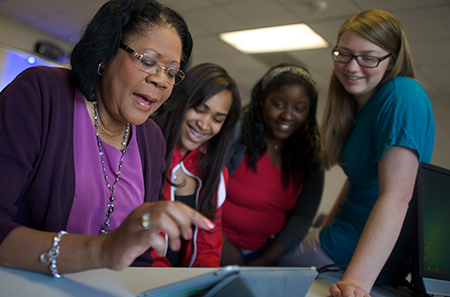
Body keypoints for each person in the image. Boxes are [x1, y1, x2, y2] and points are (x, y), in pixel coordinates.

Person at [0, 0, 216, 278]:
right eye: (148, 61)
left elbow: (138, 255)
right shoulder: (40, 93)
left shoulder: (152, 140)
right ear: (106, 53)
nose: (162, 81)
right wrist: (102, 250)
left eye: (172, 72)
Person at [277, 9, 435, 297]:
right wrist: (323, 230)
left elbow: (397, 196)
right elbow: (357, 179)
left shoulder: (402, 94)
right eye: (344, 54)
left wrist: (356, 283)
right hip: (341, 238)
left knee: (268, 266)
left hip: (362, 249)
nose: (352, 67)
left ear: (392, 60)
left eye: (369, 58)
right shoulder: (358, 107)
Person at [221, 63, 324, 267]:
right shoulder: (237, 132)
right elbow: (204, 186)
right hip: (211, 241)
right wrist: (221, 244)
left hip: (261, 254)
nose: (287, 115)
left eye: (299, 108)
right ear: (262, 101)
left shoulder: (310, 155)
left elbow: (302, 217)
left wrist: (265, 260)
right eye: (278, 104)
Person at [152, 63, 241, 267]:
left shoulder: (215, 172)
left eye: (217, 119)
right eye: (200, 110)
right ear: (182, 101)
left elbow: (208, 246)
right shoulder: (147, 150)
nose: (204, 124)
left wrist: (201, 284)